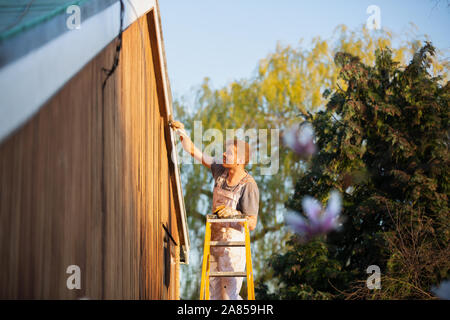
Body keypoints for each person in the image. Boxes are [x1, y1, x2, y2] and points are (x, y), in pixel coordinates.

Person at [169, 120, 260, 300]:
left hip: (233, 246)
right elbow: (194, 151)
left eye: (230, 153)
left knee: (229, 295)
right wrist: (182, 132)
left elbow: (252, 223)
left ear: (241, 160)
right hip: (214, 242)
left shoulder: (248, 186)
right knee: (215, 296)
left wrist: (235, 214)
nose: (224, 154)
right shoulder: (220, 171)